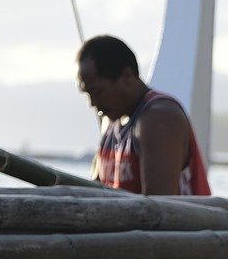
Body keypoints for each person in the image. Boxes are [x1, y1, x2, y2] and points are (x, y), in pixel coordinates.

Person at [76, 35, 211, 196]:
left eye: (98, 92)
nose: (92, 103)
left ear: (127, 76)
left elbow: (158, 208)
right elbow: (94, 192)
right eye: (87, 94)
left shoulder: (159, 118)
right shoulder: (110, 123)